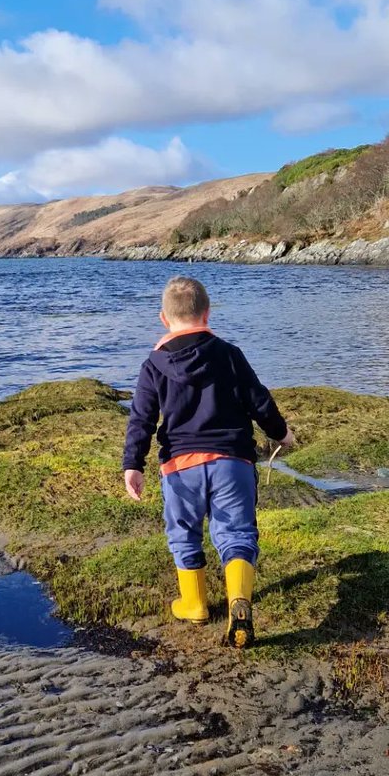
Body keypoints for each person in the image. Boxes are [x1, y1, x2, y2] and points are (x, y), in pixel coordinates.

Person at [122, 276, 293, 649]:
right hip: (232, 461)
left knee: (183, 533)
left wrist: (132, 464)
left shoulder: (153, 365)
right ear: (208, 312)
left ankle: (195, 604)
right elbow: (259, 401)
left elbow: (141, 419)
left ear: (163, 319)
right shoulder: (230, 354)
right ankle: (238, 601)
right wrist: (282, 434)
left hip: (179, 467)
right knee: (237, 534)